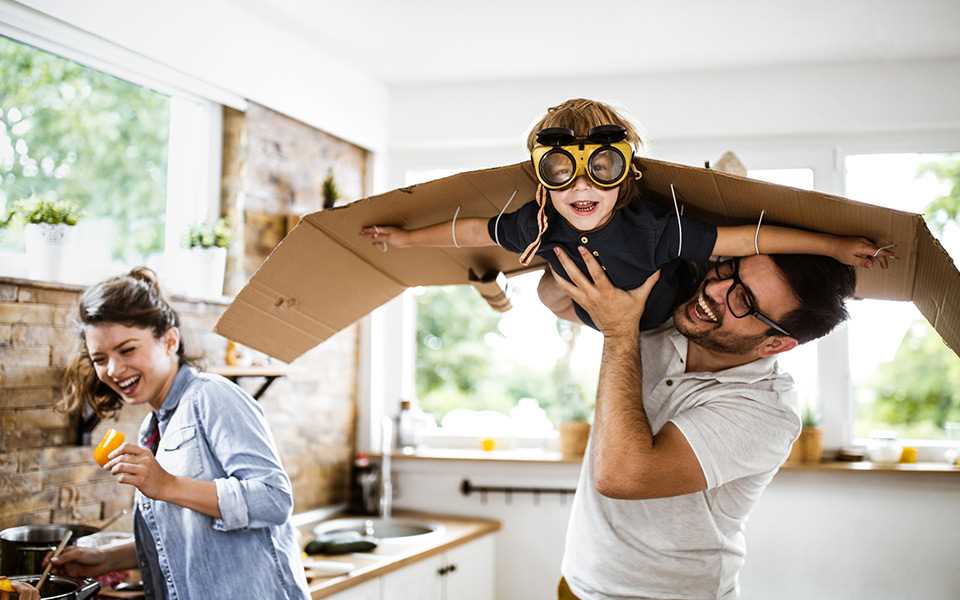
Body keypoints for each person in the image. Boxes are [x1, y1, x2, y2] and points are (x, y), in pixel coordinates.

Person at [360, 98, 892, 332]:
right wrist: (406, 240)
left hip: (659, 317)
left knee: (562, 284)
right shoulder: (542, 220)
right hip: (589, 313)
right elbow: (472, 228)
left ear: (628, 174)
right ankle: (501, 294)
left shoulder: (657, 227)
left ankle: (517, 291)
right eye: (564, 169)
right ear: (544, 174)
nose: (583, 187)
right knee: (547, 291)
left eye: (603, 166)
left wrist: (834, 246)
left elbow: (748, 240)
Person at [542, 245, 856, 599]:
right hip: (579, 582)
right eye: (730, 270)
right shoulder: (666, 314)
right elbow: (556, 298)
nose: (715, 290)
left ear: (775, 345)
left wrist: (619, 331)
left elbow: (621, 474)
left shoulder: (767, 412)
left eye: (743, 300)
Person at [51, 268, 309, 600]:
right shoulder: (154, 427)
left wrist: (168, 485)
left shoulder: (212, 397)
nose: (113, 370)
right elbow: (185, 534)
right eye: (101, 359)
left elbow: (273, 500)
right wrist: (104, 559)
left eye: (127, 350)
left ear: (170, 340)